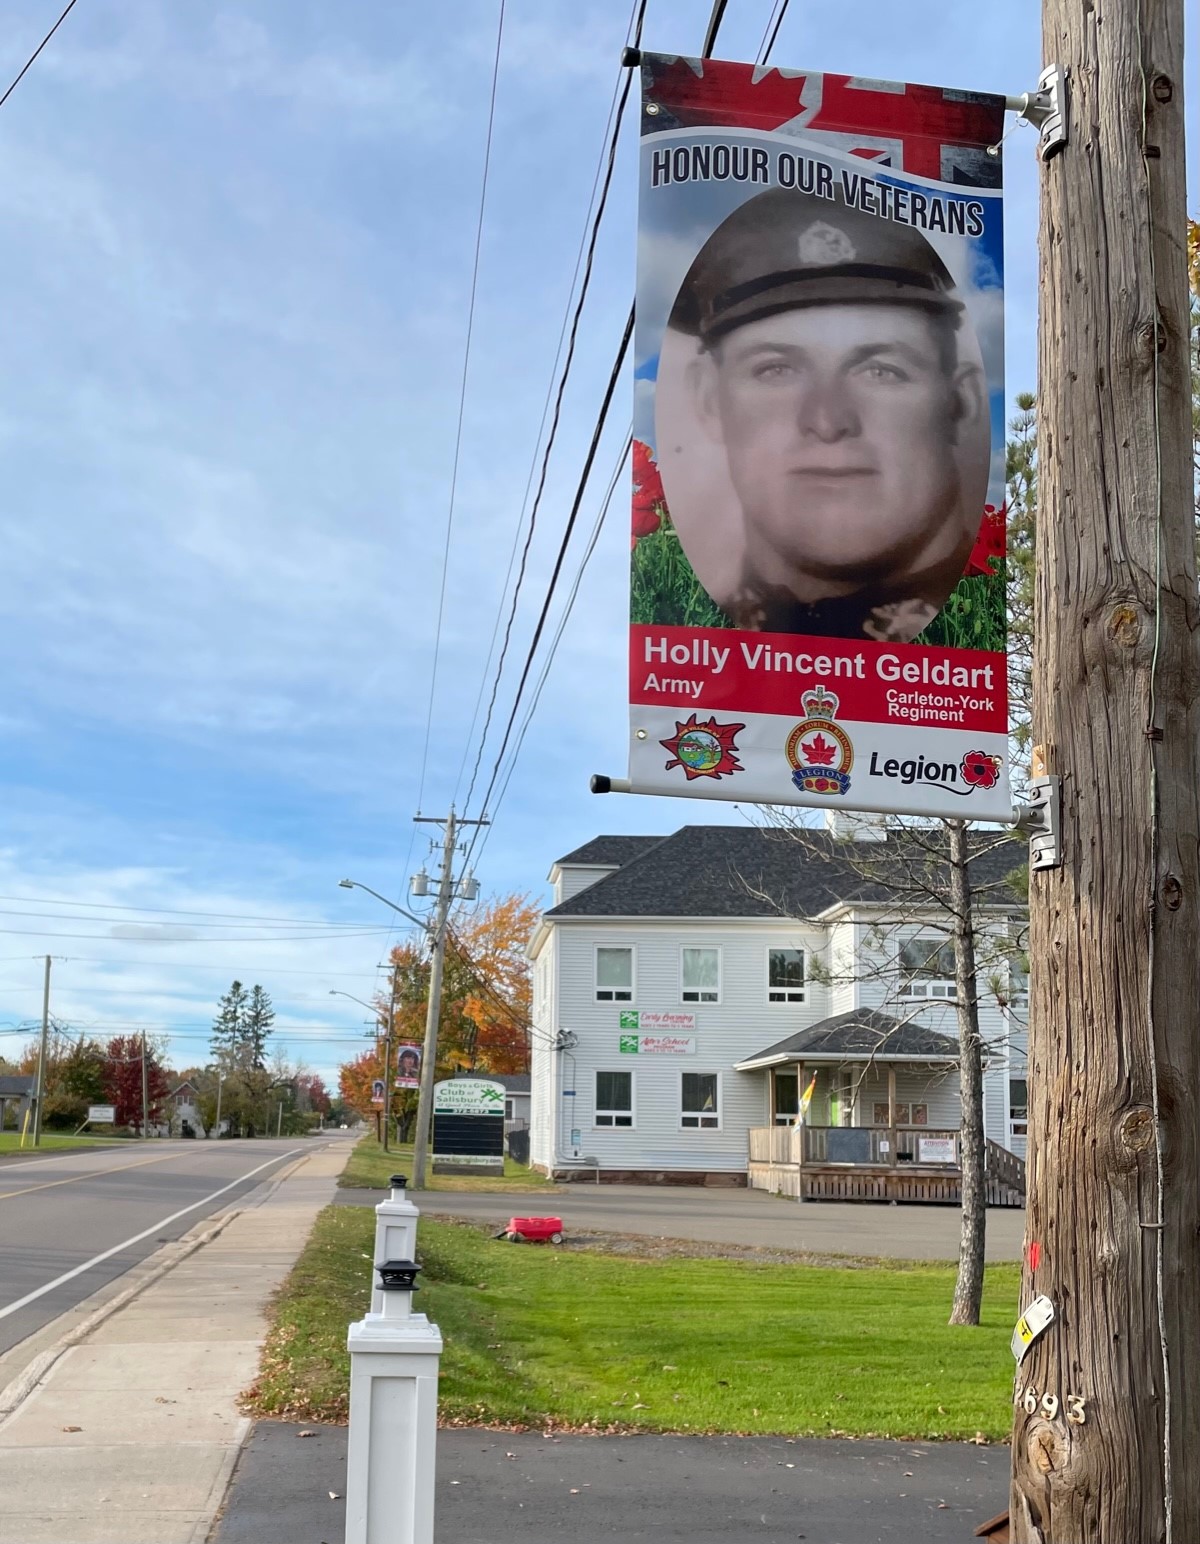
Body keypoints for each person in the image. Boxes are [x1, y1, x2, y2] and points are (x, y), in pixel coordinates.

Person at [670, 186, 988, 642]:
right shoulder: (687, 620)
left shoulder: (992, 628)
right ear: (708, 399)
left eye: (881, 370)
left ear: (962, 402)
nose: (827, 420)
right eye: (775, 369)